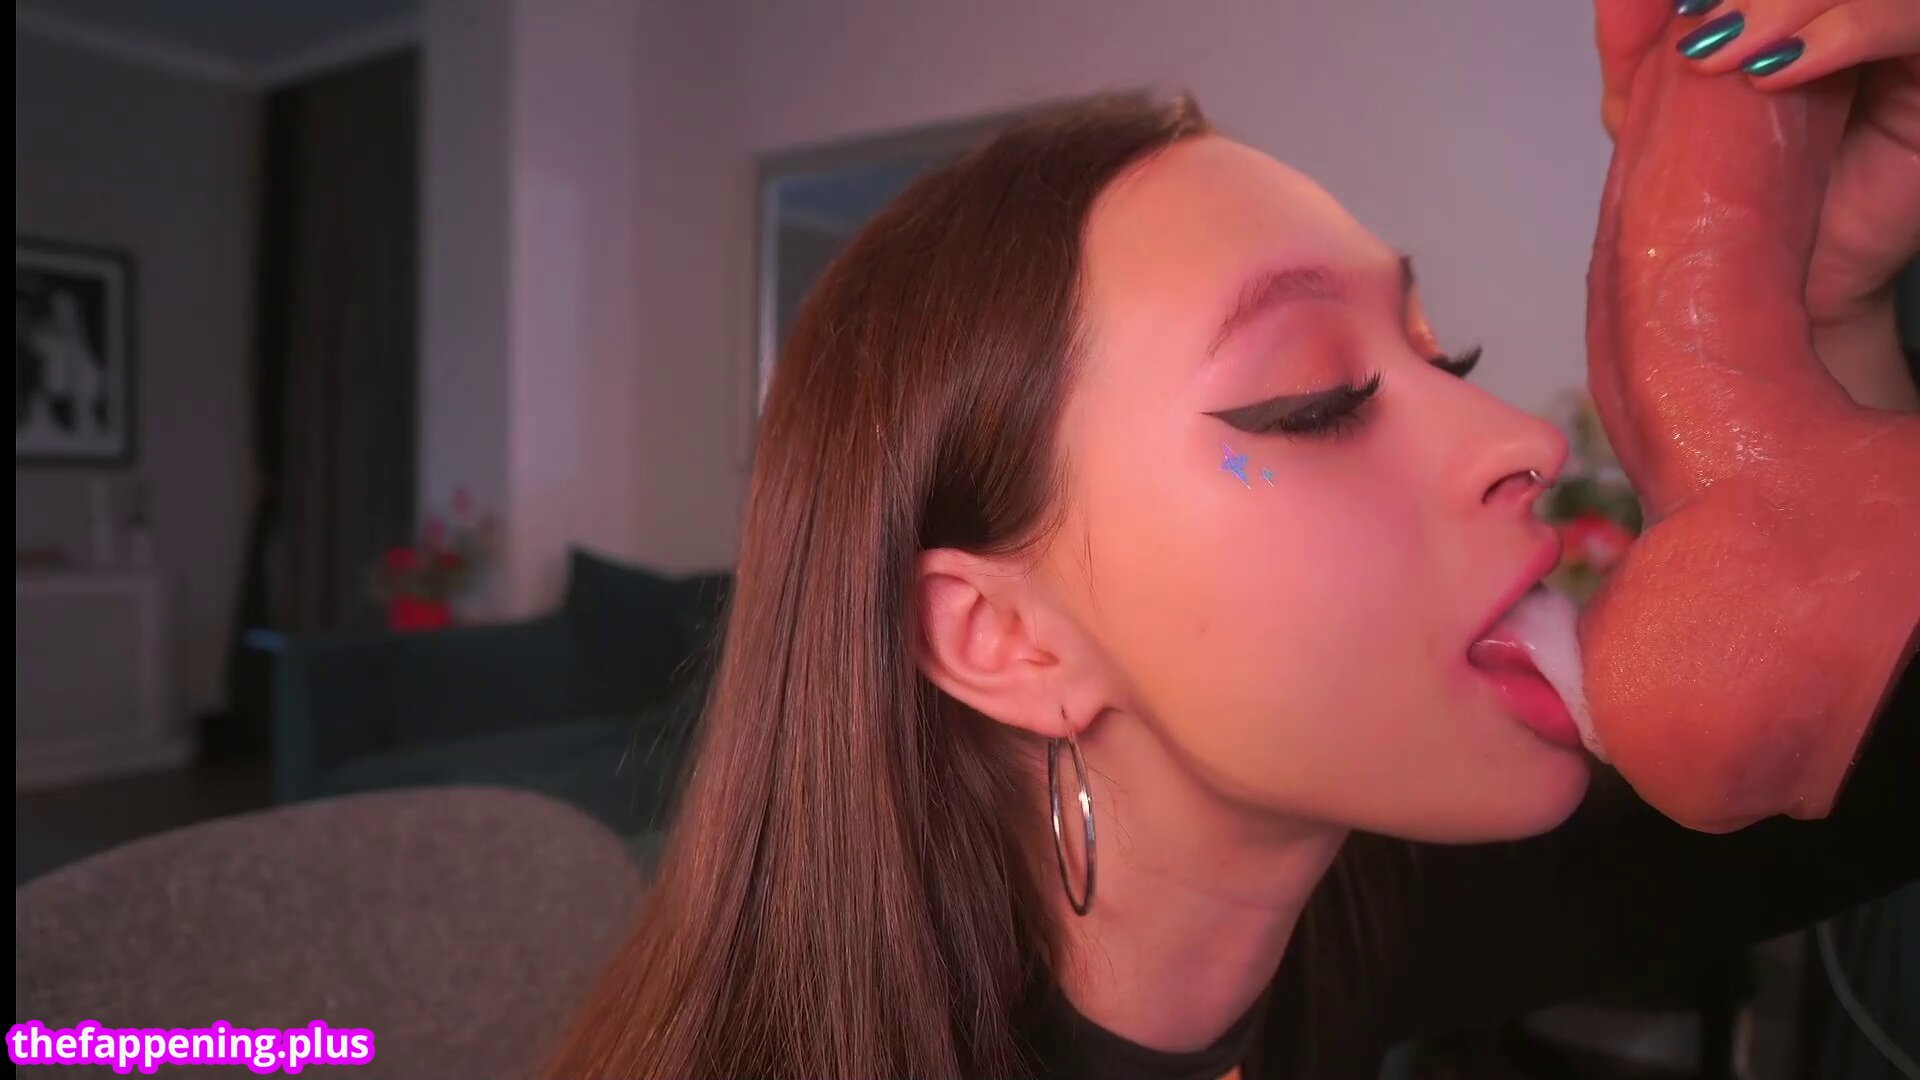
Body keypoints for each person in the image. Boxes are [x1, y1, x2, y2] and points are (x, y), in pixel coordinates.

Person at [544, 3, 1920, 1077]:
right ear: (1003, 637)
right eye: (1319, 401)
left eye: (1443, 356)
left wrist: (1819, 312)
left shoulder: (1367, 899)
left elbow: (1878, 774)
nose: (1524, 441)